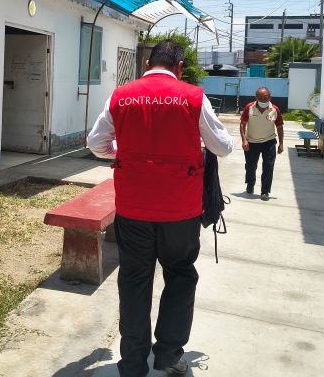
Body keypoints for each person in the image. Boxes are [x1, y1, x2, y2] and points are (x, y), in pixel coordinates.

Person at [87, 39, 233, 377]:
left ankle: (133, 364)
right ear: (179, 68)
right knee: (180, 276)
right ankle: (167, 356)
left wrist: (125, 153)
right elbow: (223, 147)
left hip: (133, 208)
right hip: (180, 212)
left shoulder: (121, 96)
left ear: (147, 65)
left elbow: (96, 143)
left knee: (134, 279)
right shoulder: (194, 98)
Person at [239, 87, 284, 200]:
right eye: (260, 98)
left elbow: (279, 127)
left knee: (268, 166)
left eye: (266, 98)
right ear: (256, 97)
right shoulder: (249, 107)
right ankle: (250, 183)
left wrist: (281, 143)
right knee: (250, 166)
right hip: (252, 142)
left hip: (269, 142)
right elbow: (242, 124)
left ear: (270, 97)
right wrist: (244, 139)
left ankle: (265, 191)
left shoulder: (275, 109)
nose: (263, 100)